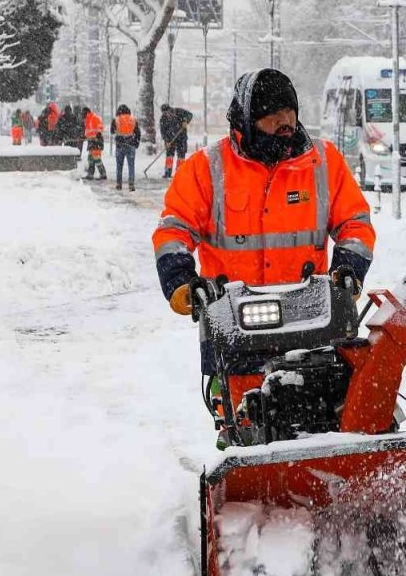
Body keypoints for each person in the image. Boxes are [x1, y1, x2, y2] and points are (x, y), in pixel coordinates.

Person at [152, 69, 376, 441]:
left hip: (312, 319)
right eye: (272, 113)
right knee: (245, 427)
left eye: (290, 110)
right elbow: (174, 229)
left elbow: (355, 222)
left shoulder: (323, 162)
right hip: (235, 326)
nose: (285, 121)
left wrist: (349, 268)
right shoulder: (208, 169)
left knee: (325, 421)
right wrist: (181, 281)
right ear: (245, 119)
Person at [111, 104, 141, 191]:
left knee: (119, 166)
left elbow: (112, 131)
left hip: (120, 146)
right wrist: (136, 144)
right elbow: (138, 133)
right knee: (131, 166)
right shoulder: (133, 120)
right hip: (131, 145)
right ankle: (131, 184)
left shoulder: (116, 120)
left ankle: (119, 184)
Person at [158, 103, 193, 178]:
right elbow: (163, 131)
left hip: (181, 138)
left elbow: (190, 115)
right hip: (170, 140)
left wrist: (185, 121)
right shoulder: (163, 118)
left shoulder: (179, 111)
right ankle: (168, 172)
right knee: (169, 156)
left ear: (169, 109)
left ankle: (179, 173)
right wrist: (166, 141)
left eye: (167, 112)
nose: (166, 114)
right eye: (164, 113)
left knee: (181, 156)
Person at [82, 107, 107, 181]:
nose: (82, 114)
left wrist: (98, 134)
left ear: (87, 112)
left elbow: (100, 127)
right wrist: (85, 135)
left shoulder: (94, 117)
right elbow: (89, 130)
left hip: (96, 140)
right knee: (90, 159)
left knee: (96, 158)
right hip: (91, 140)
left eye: (83, 113)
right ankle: (90, 174)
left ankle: (103, 174)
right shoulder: (87, 119)